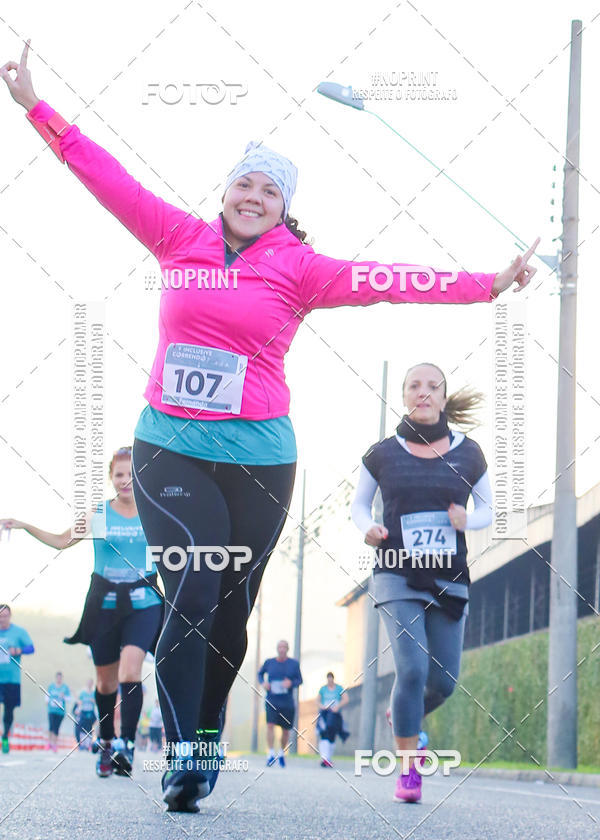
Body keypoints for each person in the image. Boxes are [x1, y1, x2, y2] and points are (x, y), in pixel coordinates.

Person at [1, 40, 538, 813]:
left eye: (268, 190)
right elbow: (102, 176)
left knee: (228, 606)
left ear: (285, 207)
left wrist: (485, 284)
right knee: (190, 583)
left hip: (260, 459)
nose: (251, 194)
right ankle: (185, 751)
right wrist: (34, 107)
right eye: (242, 183)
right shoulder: (176, 237)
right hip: (169, 446)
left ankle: (210, 725)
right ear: (225, 193)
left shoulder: (301, 269)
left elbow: (390, 280)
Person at [351, 362, 494, 802]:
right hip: (396, 571)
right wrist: (368, 528)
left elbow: (490, 508)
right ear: (405, 396)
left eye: (433, 386)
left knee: (444, 680)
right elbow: (359, 506)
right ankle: (408, 773)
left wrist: (467, 519)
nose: (424, 392)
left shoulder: (469, 453)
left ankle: (404, 716)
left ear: (444, 398)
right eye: (415, 386)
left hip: (449, 575)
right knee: (411, 668)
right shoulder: (382, 453)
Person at [0, 447, 163, 778]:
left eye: (132, 473)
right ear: (111, 478)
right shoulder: (98, 514)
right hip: (103, 604)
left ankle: (125, 747)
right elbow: (62, 540)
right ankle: (106, 741)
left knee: (131, 672)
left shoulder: (156, 513)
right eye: (119, 474)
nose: (126, 480)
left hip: (144, 601)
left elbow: (183, 546)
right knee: (105, 682)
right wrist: (24, 525)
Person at [258, 640, 303, 767]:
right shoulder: (269, 662)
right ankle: (271, 753)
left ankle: (281, 753)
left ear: (287, 649)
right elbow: (260, 674)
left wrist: (291, 683)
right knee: (270, 725)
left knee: (286, 730)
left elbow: (300, 680)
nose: (282, 649)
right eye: (280, 647)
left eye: (284, 647)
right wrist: (263, 683)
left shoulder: (293, 664)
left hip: (287, 701)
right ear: (277, 649)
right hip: (272, 699)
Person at [0, 605, 34, 754]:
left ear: (10, 616)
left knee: (9, 710)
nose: (2, 619)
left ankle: (5, 736)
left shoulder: (19, 632)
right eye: (0, 616)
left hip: (12, 679)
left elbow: (31, 648)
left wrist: (19, 650)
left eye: (5, 616)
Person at [317, 672, 349, 767]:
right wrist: (322, 706)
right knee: (324, 733)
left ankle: (328, 758)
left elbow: (346, 699)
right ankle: (325, 758)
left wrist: (338, 706)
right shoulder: (323, 689)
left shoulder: (339, 688)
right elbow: (317, 700)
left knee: (332, 734)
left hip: (334, 714)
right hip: (325, 714)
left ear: (333, 679)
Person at [46, 671, 71, 751]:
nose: (59, 679)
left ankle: (54, 744)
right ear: (56, 678)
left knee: (56, 727)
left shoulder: (65, 687)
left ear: (61, 678)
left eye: (60, 678)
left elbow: (69, 698)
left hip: (60, 711)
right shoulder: (51, 686)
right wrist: (47, 702)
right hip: (51, 710)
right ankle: (49, 743)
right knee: (51, 726)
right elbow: (47, 695)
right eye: (58, 677)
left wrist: (64, 697)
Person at [73, 678, 97, 750]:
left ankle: (88, 745)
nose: (89, 684)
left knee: (89, 729)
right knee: (80, 728)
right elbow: (78, 702)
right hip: (83, 712)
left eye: (91, 683)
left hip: (91, 712)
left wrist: (94, 701)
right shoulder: (83, 693)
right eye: (88, 683)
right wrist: (77, 709)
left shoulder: (94, 693)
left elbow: (97, 703)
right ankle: (82, 744)